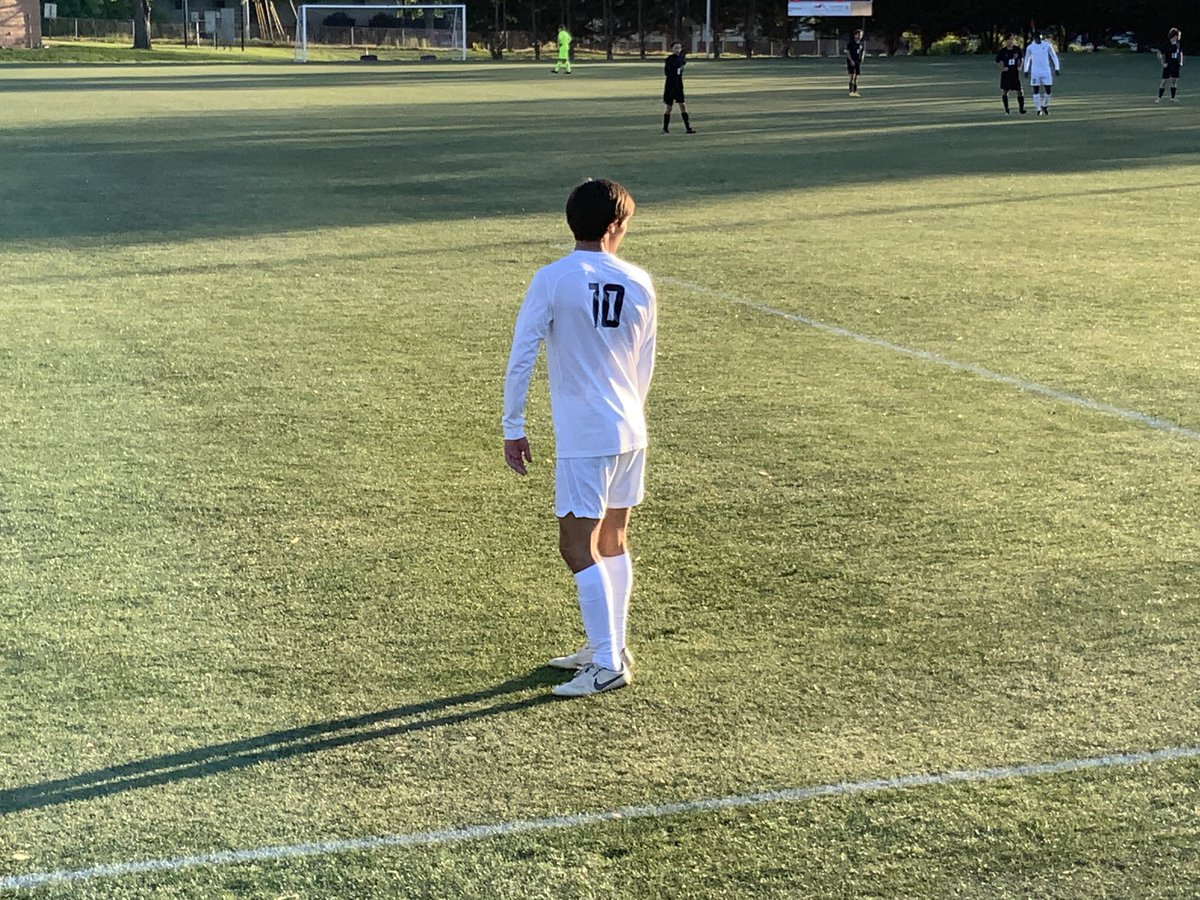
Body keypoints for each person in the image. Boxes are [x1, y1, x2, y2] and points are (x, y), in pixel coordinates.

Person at [503, 178, 657, 698]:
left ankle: (608, 661)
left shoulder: (552, 279)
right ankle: (606, 646)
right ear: (615, 225)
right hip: (630, 430)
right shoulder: (639, 281)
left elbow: (523, 354)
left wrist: (513, 426)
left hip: (585, 436)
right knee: (612, 541)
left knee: (575, 547)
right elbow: (644, 365)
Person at [662, 41, 697, 134]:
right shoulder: (669, 59)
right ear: (672, 49)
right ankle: (665, 128)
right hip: (670, 85)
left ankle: (688, 128)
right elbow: (667, 72)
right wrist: (676, 68)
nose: (677, 50)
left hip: (679, 85)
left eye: (679, 48)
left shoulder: (681, 58)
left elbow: (683, 62)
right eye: (675, 48)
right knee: (669, 107)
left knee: (682, 105)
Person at [1023, 31, 1060, 116]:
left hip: (1046, 71)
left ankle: (1044, 105)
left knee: (1048, 90)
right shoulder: (1030, 47)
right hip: (1035, 71)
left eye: (1040, 38)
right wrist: (1026, 70)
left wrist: (1057, 68)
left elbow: (1053, 56)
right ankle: (1038, 109)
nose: (1039, 40)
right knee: (1036, 90)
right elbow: (1027, 59)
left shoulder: (1047, 45)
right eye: (1037, 38)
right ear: (1034, 38)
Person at [996, 33, 1027, 114]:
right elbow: (998, 60)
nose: (1011, 41)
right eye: (1009, 39)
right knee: (1005, 91)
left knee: (1020, 91)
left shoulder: (1017, 49)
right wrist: (1002, 68)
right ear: (1006, 41)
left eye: (1012, 39)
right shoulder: (1003, 51)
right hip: (1006, 74)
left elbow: (1021, 59)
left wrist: (1020, 67)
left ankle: (1021, 109)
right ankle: (1006, 109)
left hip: (1014, 73)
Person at [1156, 28, 1183, 102]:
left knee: (1174, 81)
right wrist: (1163, 63)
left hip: (1175, 65)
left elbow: (1180, 53)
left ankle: (1173, 98)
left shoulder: (1178, 44)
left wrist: (1181, 61)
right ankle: (1159, 97)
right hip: (1168, 65)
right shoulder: (1166, 44)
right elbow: (1159, 53)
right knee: (1164, 81)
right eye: (1179, 35)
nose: (1180, 37)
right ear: (1175, 36)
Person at [845, 28, 865, 96]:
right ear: (855, 35)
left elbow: (862, 51)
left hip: (857, 62)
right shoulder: (850, 43)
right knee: (851, 76)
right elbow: (847, 52)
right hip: (851, 61)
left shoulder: (860, 45)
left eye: (861, 35)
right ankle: (850, 91)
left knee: (856, 77)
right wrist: (851, 60)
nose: (860, 36)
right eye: (859, 34)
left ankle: (855, 91)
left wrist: (862, 58)